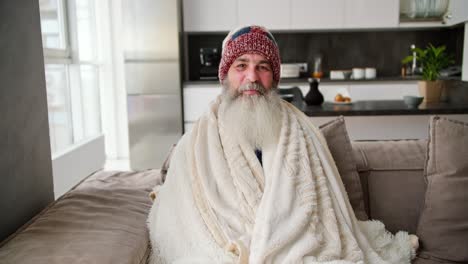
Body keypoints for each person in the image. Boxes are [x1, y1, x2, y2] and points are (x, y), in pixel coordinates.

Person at [148, 25, 418, 264]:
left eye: (262, 67)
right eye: (241, 65)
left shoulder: (301, 130)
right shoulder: (196, 142)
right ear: (225, 75)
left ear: (274, 78)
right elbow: (182, 213)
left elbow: (319, 212)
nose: (252, 77)